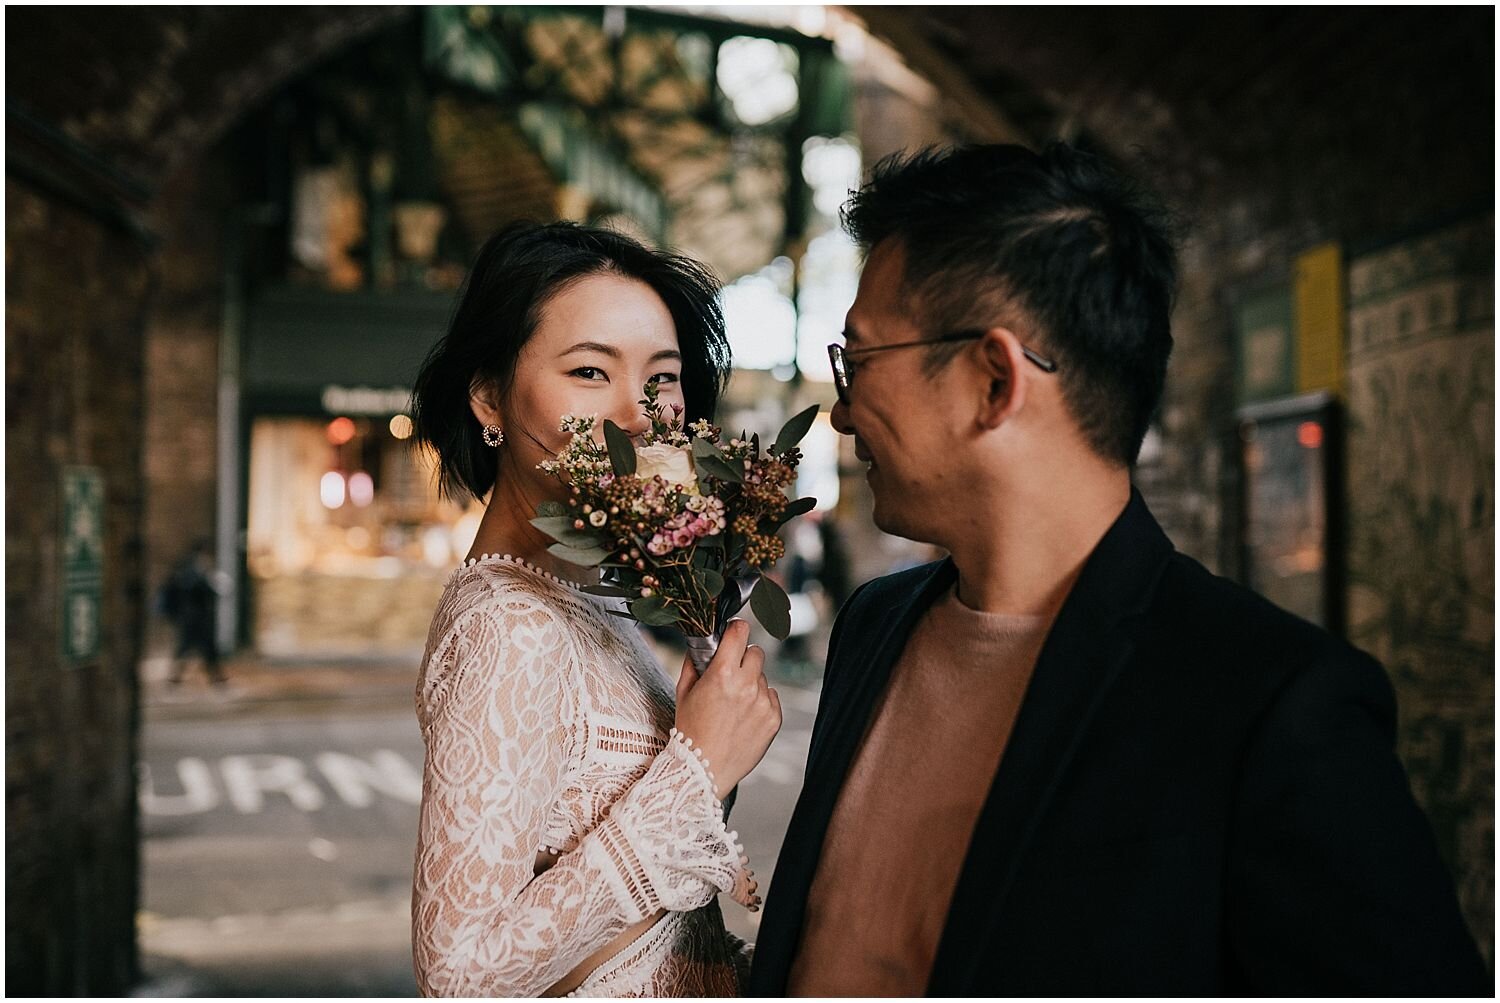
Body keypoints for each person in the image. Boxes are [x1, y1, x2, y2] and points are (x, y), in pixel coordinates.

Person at [747, 144, 1489, 995]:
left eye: (861, 360)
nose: (841, 412)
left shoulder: (1271, 707)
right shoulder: (877, 625)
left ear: (995, 380)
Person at [408, 221, 782, 997]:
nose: (640, 414)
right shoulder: (506, 625)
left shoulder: (579, 596)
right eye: (588, 370)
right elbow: (461, 975)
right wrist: (698, 768)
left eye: (664, 376)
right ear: (489, 396)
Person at [158, 539, 227, 687]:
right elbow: (190, 590)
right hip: (192, 618)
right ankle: (176, 679)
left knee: (206, 650)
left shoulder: (200, 570)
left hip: (197, 618)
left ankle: (215, 679)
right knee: (188, 649)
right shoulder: (192, 571)